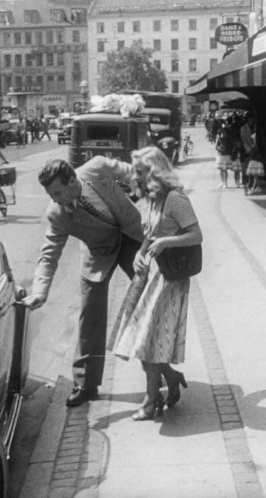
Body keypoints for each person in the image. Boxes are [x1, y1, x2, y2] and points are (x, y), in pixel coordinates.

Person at [22, 156, 144, 407]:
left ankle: (159, 366)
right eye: (49, 193)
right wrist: (39, 291)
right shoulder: (57, 213)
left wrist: (153, 195)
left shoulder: (97, 168)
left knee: (151, 298)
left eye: (56, 192)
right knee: (90, 313)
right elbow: (49, 253)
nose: (54, 198)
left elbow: (135, 173)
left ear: (71, 181)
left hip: (131, 236)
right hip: (98, 251)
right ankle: (86, 384)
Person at [109, 146, 203, 421]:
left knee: (149, 338)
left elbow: (196, 235)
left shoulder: (176, 199)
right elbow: (149, 236)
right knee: (146, 338)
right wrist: (140, 254)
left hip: (171, 278)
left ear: (155, 171)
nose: (135, 177)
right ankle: (170, 379)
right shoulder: (151, 198)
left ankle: (152, 400)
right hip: (150, 275)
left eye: (140, 172)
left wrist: (166, 242)